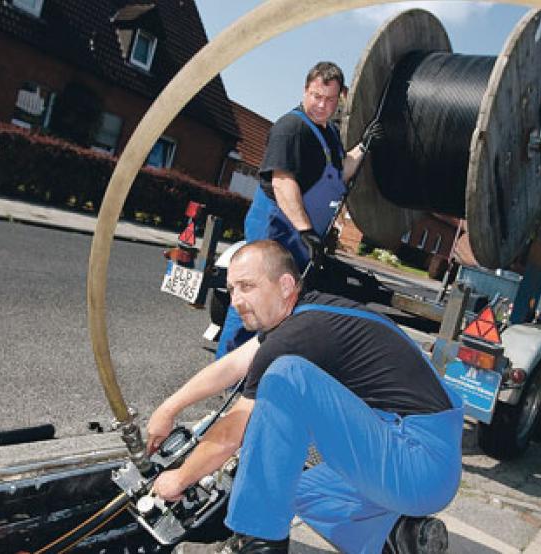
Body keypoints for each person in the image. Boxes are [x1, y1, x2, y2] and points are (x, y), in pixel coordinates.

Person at [148, 240, 463, 554]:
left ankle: (257, 544)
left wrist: (181, 478)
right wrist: (169, 407)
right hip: (415, 461)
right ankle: (398, 537)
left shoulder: (299, 334)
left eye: (246, 286)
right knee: (287, 490)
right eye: (231, 290)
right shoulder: (309, 316)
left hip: (418, 462)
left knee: (287, 376)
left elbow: (233, 431)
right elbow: (232, 364)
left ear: (285, 285)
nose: (236, 301)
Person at [215, 61, 384, 359]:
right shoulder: (290, 129)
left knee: (282, 305)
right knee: (254, 300)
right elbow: (282, 182)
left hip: (300, 237)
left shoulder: (329, 133)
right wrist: (306, 231)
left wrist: (364, 146)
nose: (321, 105)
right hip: (275, 229)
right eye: (316, 96)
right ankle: (229, 372)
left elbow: (341, 170)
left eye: (330, 99)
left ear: (340, 98)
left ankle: (258, 368)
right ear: (305, 90)